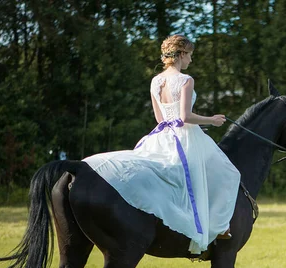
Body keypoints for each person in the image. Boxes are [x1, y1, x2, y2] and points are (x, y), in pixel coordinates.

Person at [83, 35, 241, 254]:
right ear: (182, 54)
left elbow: (159, 118)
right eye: (190, 56)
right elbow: (185, 116)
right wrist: (211, 120)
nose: (191, 61)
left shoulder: (156, 81)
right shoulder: (186, 80)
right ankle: (219, 226)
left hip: (162, 134)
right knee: (227, 172)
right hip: (186, 136)